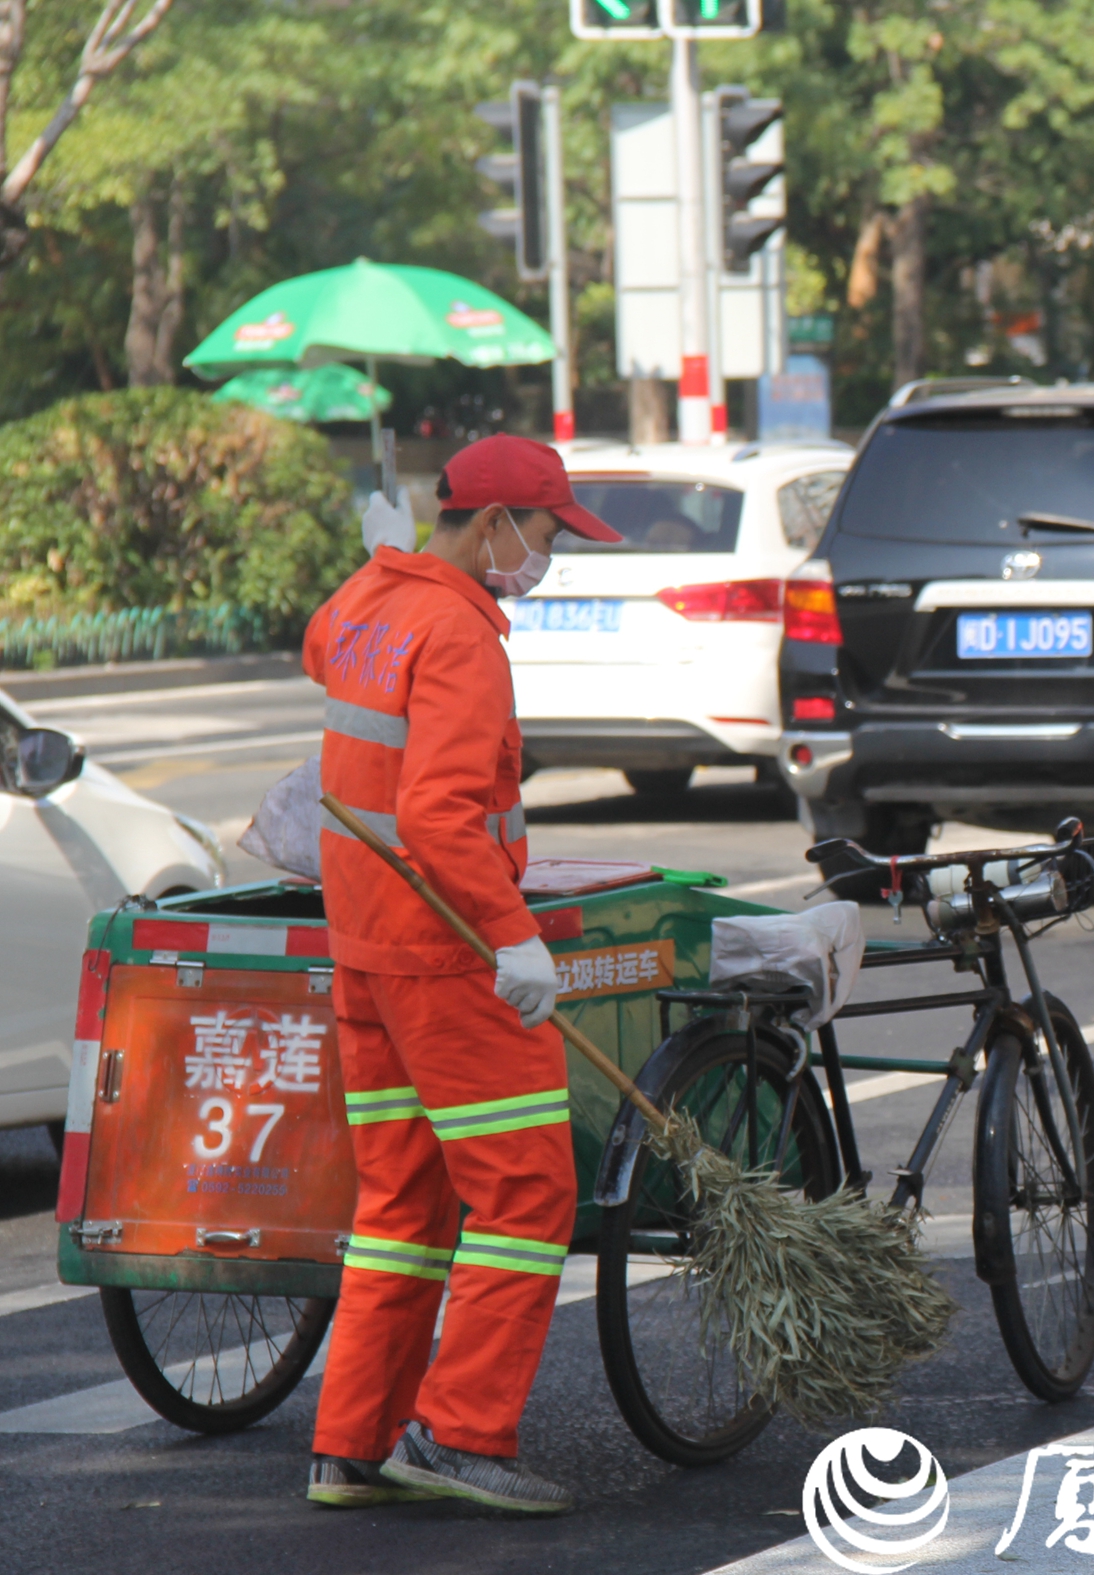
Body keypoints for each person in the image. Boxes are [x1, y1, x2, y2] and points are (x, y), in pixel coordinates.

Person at [303, 434, 621, 1512]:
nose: (546, 558)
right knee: (528, 1190)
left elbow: (320, 652)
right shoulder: (459, 634)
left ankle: (351, 1444)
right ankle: (458, 1436)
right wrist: (512, 937)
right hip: (444, 954)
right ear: (492, 526)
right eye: (542, 534)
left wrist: (379, 561)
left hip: (365, 951)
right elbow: (441, 813)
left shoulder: (373, 599)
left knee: (403, 1202)